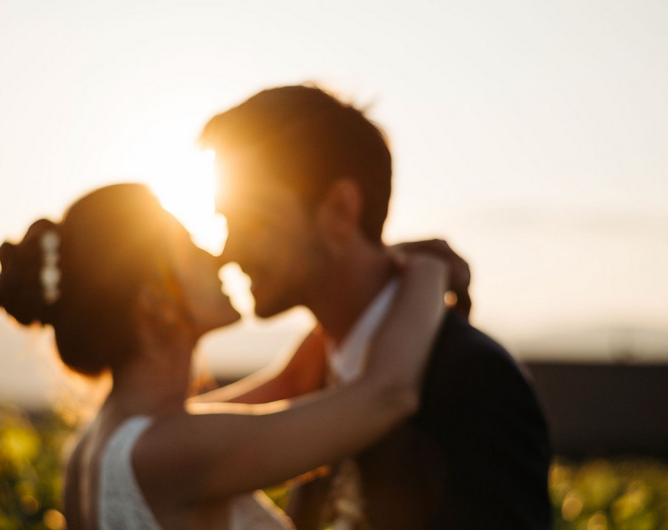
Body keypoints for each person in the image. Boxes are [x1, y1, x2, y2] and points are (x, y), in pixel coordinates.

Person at [0, 183, 450, 530]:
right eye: (189, 247)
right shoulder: (167, 452)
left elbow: (292, 384)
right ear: (154, 302)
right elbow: (387, 395)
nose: (219, 257)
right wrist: (430, 270)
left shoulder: (99, 447)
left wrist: (365, 271)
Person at [197, 85, 553, 529]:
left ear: (341, 210)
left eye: (251, 221)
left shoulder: (475, 378)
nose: (227, 252)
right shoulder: (319, 371)